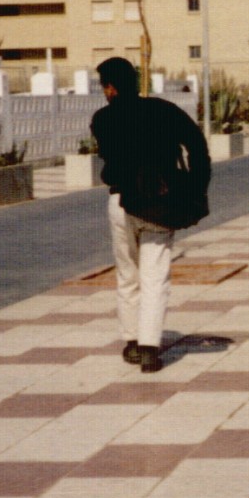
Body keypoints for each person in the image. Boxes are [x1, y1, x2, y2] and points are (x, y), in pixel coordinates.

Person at [91, 57, 212, 372]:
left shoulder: (102, 119)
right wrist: (197, 185)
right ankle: (148, 349)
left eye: (104, 86)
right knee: (155, 277)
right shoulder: (164, 110)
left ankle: (130, 340)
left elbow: (108, 155)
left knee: (126, 274)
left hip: (119, 203)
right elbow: (197, 146)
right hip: (159, 204)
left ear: (111, 86)